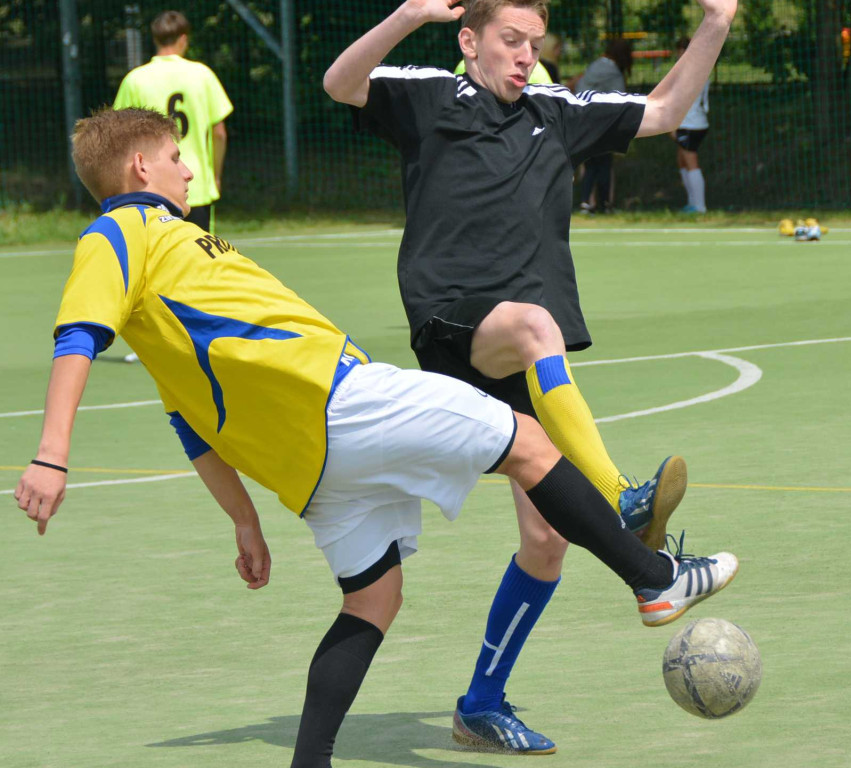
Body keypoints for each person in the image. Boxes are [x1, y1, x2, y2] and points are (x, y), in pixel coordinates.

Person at [12, 107, 738, 768]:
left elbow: (189, 425)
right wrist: (52, 455)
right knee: (524, 437)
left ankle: (309, 763)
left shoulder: (171, 265)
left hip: (310, 470)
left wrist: (244, 521)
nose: (189, 167)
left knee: (373, 598)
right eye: (176, 155)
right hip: (338, 401)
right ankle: (655, 582)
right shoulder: (123, 232)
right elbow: (78, 336)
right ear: (141, 168)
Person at [323, 0, 736, 753]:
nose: (523, 55)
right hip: (456, 324)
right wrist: (408, 14)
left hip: (519, 358)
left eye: (534, 43)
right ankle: (622, 498)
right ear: (470, 39)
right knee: (535, 321)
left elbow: (669, 108)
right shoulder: (429, 94)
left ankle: (483, 701)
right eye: (510, 40)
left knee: (546, 541)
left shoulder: (559, 111)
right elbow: (340, 82)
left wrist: (717, 21)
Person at [113, 10, 232, 234]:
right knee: (200, 258)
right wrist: (215, 175)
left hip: (151, 186)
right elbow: (219, 134)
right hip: (195, 184)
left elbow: (121, 135)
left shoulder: (135, 80)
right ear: (184, 39)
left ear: (155, 39)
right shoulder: (202, 75)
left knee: (157, 260)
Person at [574, 37, 633, 214]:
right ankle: (605, 204)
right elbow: (620, 98)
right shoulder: (612, 70)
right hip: (600, 122)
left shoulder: (596, 65)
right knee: (604, 164)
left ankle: (586, 202)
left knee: (591, 164)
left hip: (582, 120)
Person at [672, 36, 710, 214]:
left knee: (690, 161)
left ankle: (699, 206)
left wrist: (672, 124)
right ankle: (692, 202)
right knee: (682, 160)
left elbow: (680, 100)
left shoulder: (689, 71)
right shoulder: (701, 67)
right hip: (696, 121)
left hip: (690, 123)